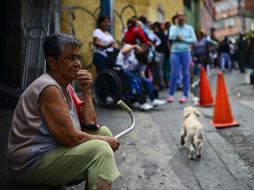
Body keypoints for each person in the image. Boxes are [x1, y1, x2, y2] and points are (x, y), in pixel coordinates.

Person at [7, 33, 120, 190]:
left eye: (78, 58)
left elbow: (90, 123)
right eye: (70, 58)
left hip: (52, 150)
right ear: (52, 62)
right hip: (30, 163)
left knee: (104, 132)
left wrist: (87, 91)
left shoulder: (65, 85)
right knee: (102, 150)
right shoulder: (49, 88)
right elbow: (70, 138)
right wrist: (104, 142)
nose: (77, 64)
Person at [115, 44, 166, 110]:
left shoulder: (141, 58)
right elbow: (123, 52)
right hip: (121, 70)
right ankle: (142, 103)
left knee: (146, 81)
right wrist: (134, 46)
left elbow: (142, 72)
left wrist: (144, 80)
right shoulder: (130, 48)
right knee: (138, 81)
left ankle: (154, 100)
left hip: (131, 72)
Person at [167, 11, 197, 103]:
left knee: (186, 74)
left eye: (182, 16)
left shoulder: (189, 28)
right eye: (179, 16)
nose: (181, 18)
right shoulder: (173, 27)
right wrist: (176, 26)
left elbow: (194, 40)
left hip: (186, 53)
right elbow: (171, 37)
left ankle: (185, 95)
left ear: (185, 17)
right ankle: (171, 95)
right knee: (174, 74)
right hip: (175, 52)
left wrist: (182, 40)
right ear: (176, 18)